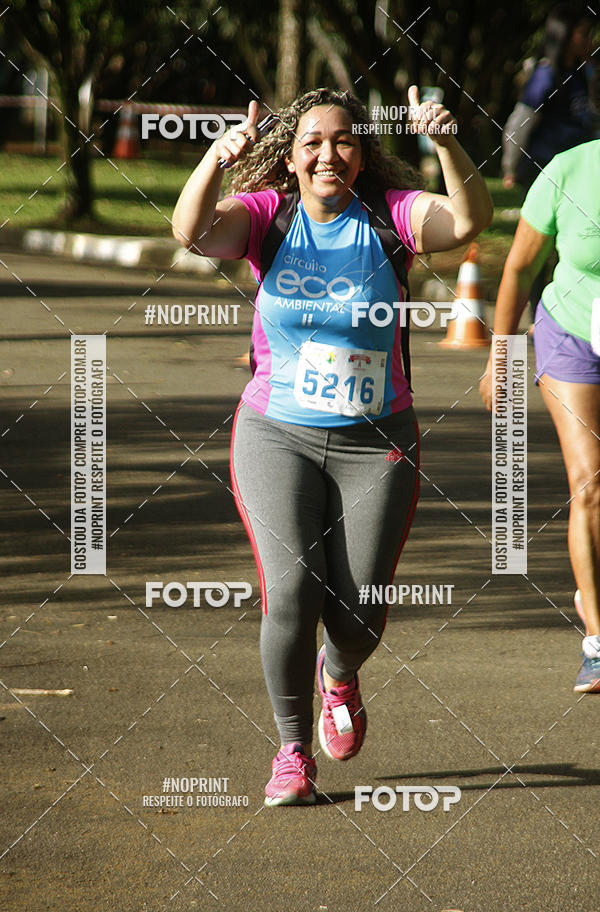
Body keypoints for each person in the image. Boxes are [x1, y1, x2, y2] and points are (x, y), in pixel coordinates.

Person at [173, 86, 493, 805]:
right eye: (312, 142)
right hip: (274, 433)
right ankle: (291, 752)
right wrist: (215, 161)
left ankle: (339, 674)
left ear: (362, 152)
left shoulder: (390, 214)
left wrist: (445, 141)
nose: (328, 153)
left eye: (343, 140)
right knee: (289, 590)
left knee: (360, 610)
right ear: (288, 159)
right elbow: (192, 232)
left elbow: (471, 219)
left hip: (377, 443)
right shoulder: (266, 216)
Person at [480, 138, 600, 694]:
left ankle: (591, 584)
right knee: (591, 483)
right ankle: (598, 644)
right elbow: (519, 269)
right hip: (573, 337)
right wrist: (500, 360)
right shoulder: (570, 168)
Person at [501, 3, 595, 322]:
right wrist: (511, 167)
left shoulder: (582, 74)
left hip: (582, 173)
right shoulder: (546, 74)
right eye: (583, 33)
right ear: (564, 35)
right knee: (541, 250)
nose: (589, 40)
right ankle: (539, 316)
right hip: (547, 172)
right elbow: (520, 123)